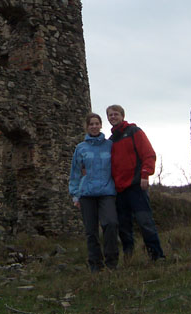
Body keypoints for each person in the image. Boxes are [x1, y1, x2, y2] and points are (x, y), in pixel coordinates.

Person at [106, 104, 165, 262]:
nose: (113, 117)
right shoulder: (110, 141)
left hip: (136, 186)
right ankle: (129, 258)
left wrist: (145, 174)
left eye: (116, 114)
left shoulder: (134, 132)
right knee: (124, 227)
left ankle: (157, 255)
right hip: (119, 189)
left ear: (122, 115)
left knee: (145, 221)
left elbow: (148, 154)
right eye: (110, 115)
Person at [69, 113, 119, 273]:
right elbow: (75, 172)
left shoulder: (110, 145)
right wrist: (75, 194)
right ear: (87, 126)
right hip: (87, 194)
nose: (94, 126)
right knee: (91, 231)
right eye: (91, 124)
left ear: (101, 125)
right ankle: (95, 265)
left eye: (97, 123)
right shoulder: (81, 148)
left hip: (107, 191)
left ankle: (112, 263)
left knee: (110, 224)